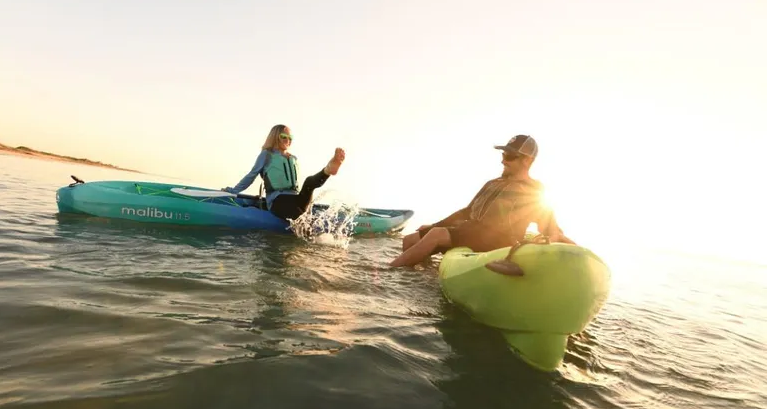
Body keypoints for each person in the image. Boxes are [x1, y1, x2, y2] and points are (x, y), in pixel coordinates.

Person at [389, 134, 574, 267]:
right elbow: (466, 212)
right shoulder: (492, 183)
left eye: (509, 156)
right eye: (503, 155)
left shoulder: (534, 191)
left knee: (436, 234)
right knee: (409, 240)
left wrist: (574, 250)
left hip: (497, 239)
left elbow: (551, 229)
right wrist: (436, 223)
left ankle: (390, 273)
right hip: (471, 230)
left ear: (527, 160)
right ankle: (421, 273)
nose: (503, 161)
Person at [223, 124, 345, 221]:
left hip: (297, 199)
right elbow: (251, 175)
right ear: (275, 136)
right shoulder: (266, 155)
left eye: (290, 138)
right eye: (284, 137)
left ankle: (328, 170)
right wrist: (233, 191)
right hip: (278, 201)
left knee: (309, 182)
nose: (288, 140)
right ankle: (308, 225)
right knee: (303, 220)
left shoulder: (293, 158)